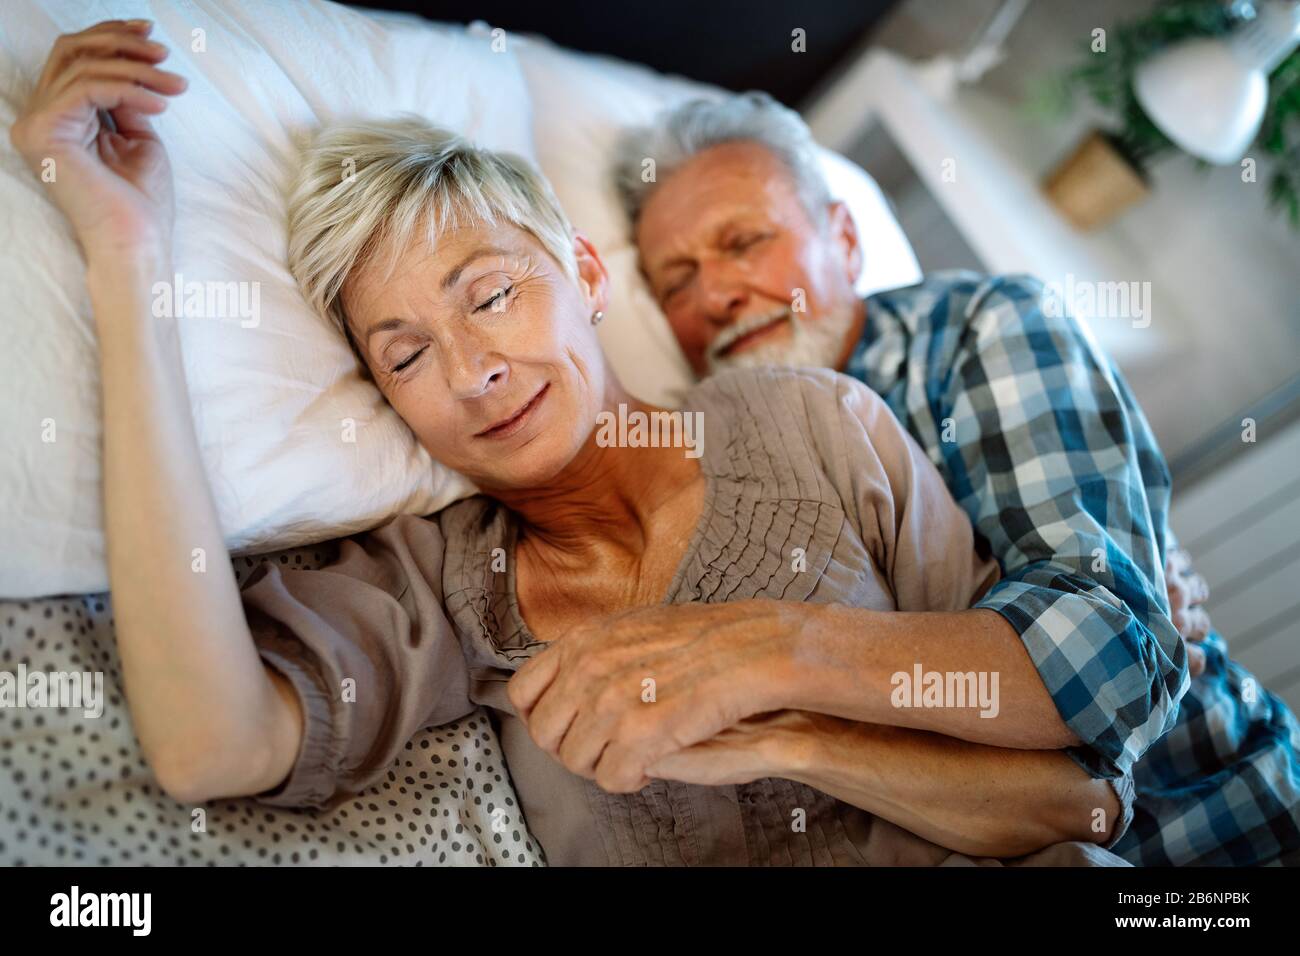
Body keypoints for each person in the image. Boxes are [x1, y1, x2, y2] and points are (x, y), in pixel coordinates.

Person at [10, 20, 1132, 866]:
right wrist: (125, 260)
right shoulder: (445, 585)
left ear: (586, 276)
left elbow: (1076, 799)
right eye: (404, 355)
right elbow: (211, 745)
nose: (469, 370)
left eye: (490, 294)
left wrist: (785, 731)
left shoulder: (813, 419)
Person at [612, 91, 1300, 866]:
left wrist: (782, 655)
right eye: (675, 283)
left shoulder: (986, 326)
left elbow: (1106, 660)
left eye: (743, 241)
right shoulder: (697, 445)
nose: (712, 297)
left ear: (843, 239)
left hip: (1224, 818)